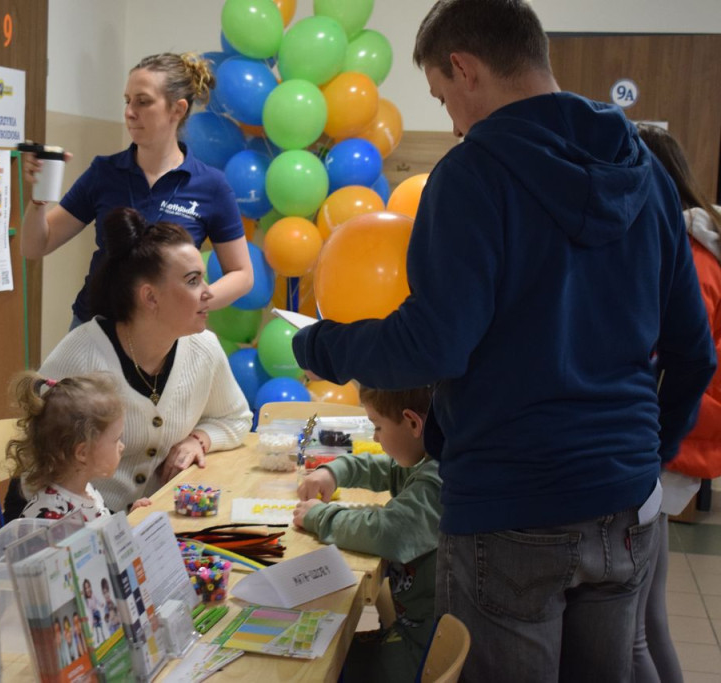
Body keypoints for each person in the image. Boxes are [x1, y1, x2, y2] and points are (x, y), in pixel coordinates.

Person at [290, 1, 717, 680]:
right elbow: (695, 353)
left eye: (442, 97)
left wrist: (319, 346)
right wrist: (647, 452)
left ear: (464, 68)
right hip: (625, 499)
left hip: (512, 502)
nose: (453, 123)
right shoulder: (644, 172)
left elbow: (435, 344)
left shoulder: (472, 174)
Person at [11, 207, 251, 514]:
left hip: (146, 528)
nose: (207, 292)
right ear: (150, 297)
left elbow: (236, 419)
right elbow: (36, 467)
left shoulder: (204, 348)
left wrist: (198, 440)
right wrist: (107, 522)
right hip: (74, 535)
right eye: (193, 281)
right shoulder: (81, 355)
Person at [21, 52, 253, 328]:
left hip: (168, 335)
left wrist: (195, 300)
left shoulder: (210, 185)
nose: (129, 112)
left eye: (143, 102)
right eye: (128, 101)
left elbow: (242, 274)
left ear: (177, 110)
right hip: (96, 330)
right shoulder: (104, 172)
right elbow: (36, 246)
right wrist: (37, 200)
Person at [633, 124, 721, 683]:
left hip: (675, 439)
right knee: (650, 617)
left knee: (639, 625)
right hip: (679, 435)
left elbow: (678, 355)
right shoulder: (695, 242)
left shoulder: (687, 253)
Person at [294, 385, 441, 682]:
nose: (374, 437)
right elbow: (384, 469)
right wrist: (334, 471)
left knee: (329, 663)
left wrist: (321, 517)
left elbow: (390, 532)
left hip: (423, 647)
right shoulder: (428, 459)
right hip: (412, 626)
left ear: (413, 422)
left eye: (377, 427)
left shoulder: (438, 477)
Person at [7, 372, 152, 522]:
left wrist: (129, 522)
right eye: (116, 440)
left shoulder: (86, 491)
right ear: (82, 453)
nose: (122, 447)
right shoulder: (52, 519)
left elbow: (103, 536)